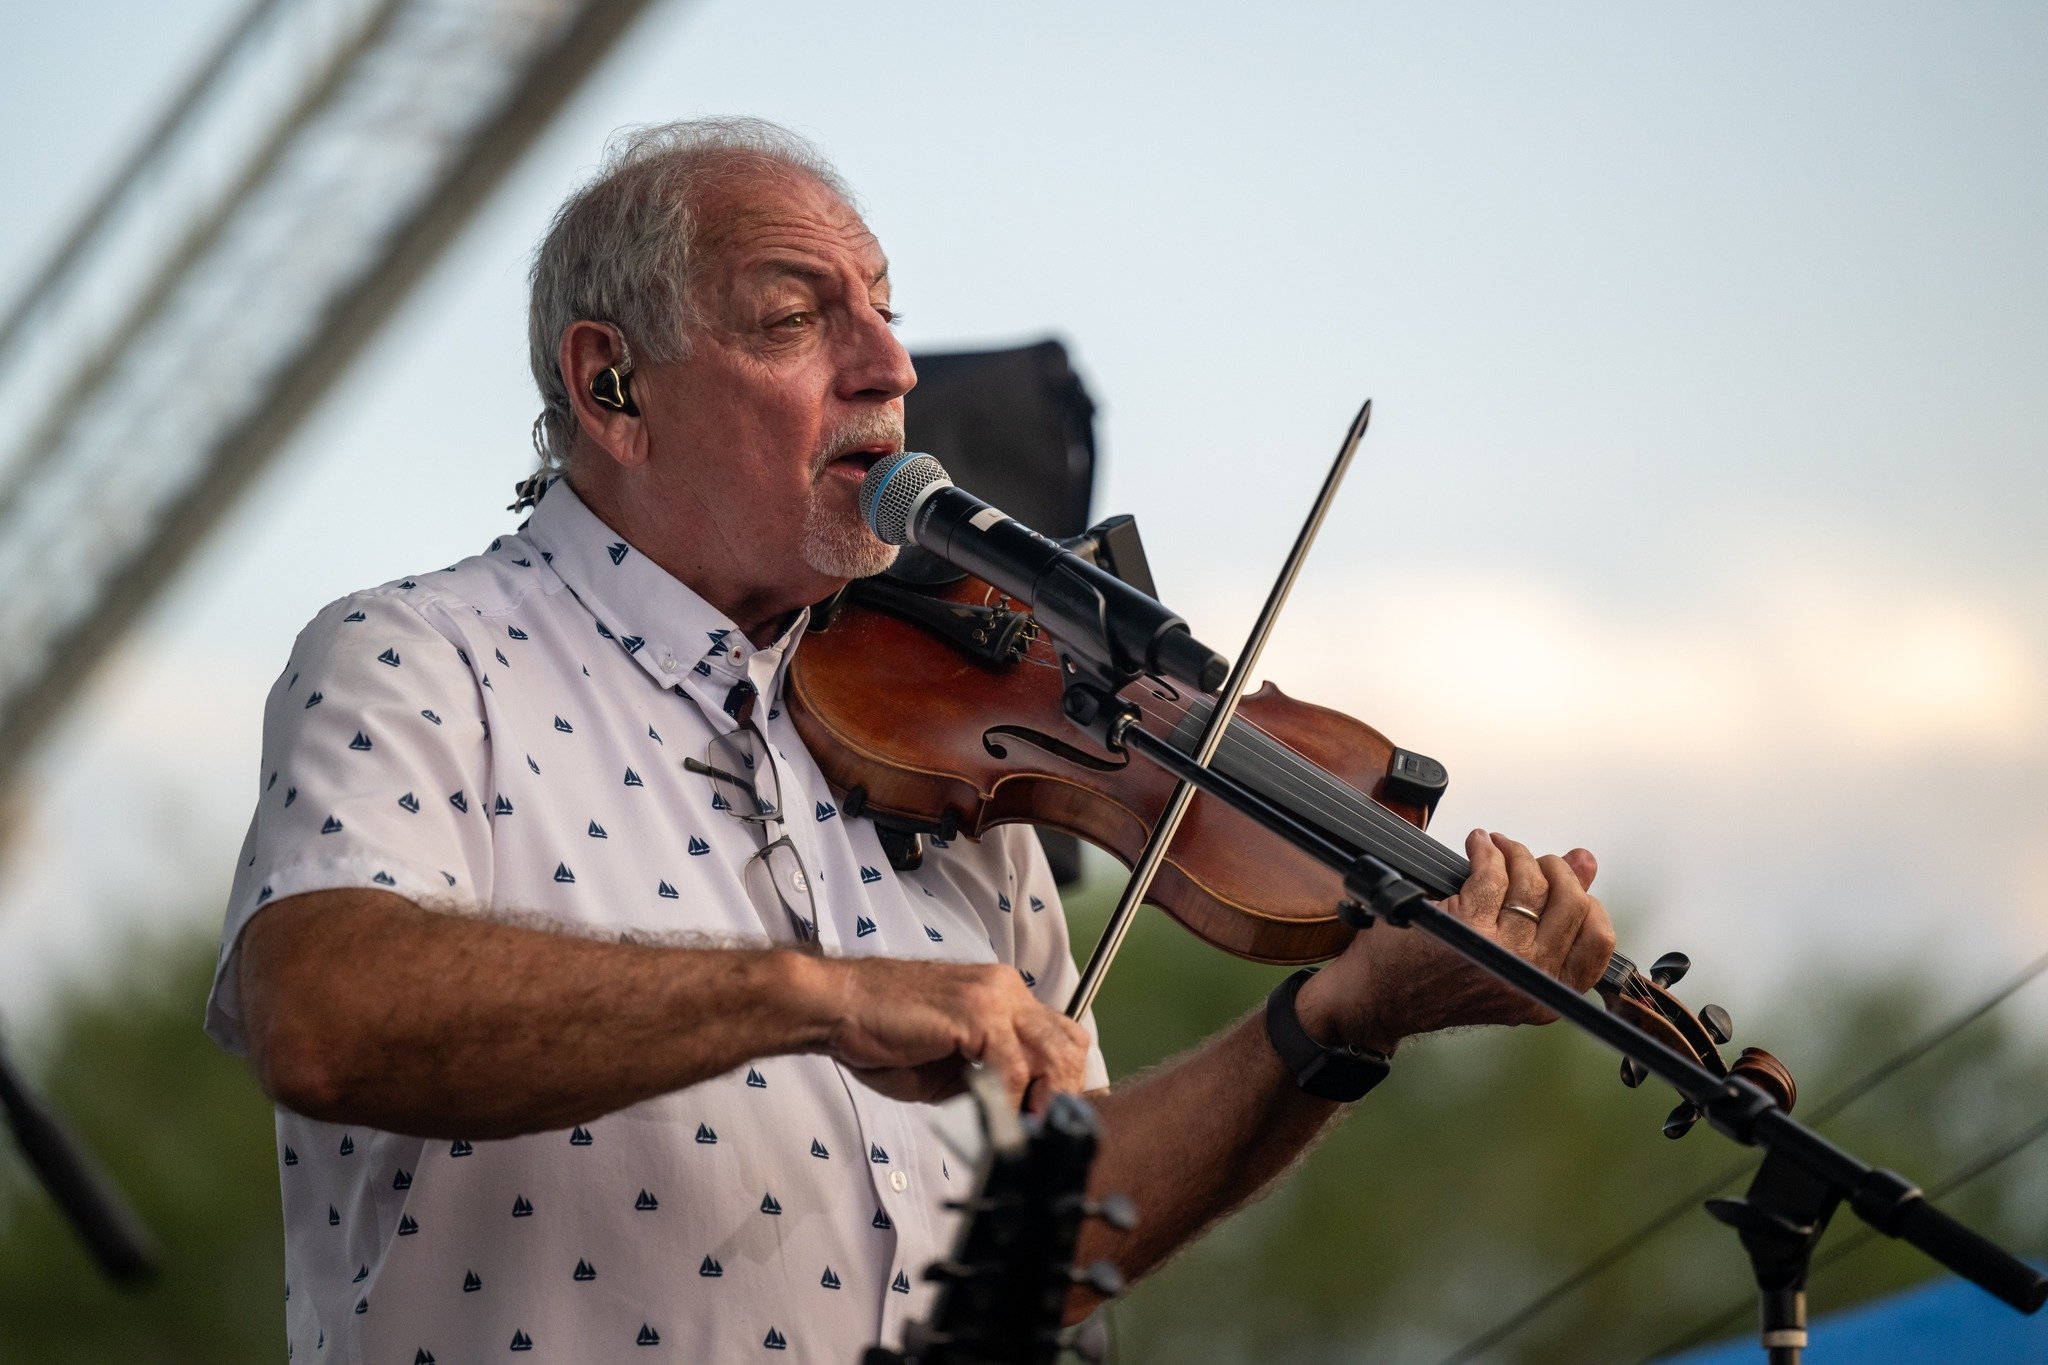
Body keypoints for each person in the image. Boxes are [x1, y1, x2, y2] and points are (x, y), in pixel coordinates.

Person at [205, 117, 1616, 1364]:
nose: (889, 364)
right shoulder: (418, 658)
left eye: (885, 310)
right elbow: (322, 1012)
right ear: (612, 385)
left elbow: (1041, 1243)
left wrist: (1335, 1023)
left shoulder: (950, 748)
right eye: (795, 317)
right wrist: (817, 995)